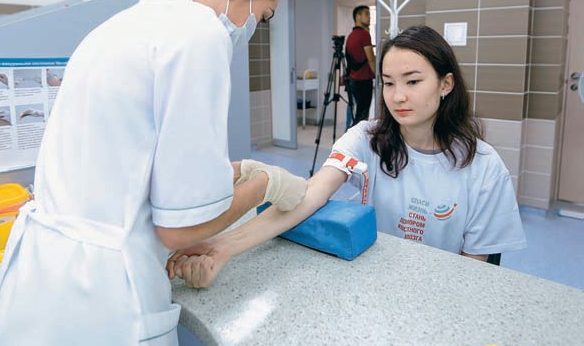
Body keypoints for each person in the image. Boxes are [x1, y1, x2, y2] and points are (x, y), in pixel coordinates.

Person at [0, 0, 307, 346]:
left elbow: (131, 161)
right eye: (265, 14)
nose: (255, 26)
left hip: (40, 276)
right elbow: (182, 230)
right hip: (104, 294)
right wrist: (267, 184)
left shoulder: (122, 26)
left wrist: (234, 172)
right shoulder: (199, 37)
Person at [167, 25, 527, 289]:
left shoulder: (483, 166)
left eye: (413, 81)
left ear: (445, 84)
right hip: (371, 284)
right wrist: (222, 247)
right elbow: (308, 196)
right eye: (388, 82)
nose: (398, 96)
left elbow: (475, 273)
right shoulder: (367, 139)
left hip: (439, 296)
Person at [345, 5, 376, 126]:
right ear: (358, 16)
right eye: (367, 14)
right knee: (362, 115)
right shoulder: (364, 35)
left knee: (356, 112)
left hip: (353, 80)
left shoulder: (350, 36)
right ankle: (358, 136)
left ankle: (349, 132)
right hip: (364, 80)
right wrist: (378, 76)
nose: (369, 17)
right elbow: (371, 59)